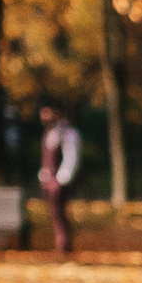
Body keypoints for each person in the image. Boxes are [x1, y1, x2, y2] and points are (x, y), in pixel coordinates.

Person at [36, 101, 82, 257]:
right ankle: (62, 243)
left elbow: (71, 157)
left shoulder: (67, 133)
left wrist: (62, 178)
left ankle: (64, 244)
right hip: (49, 180)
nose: (43, 116)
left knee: (59, 212)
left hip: (58, 182)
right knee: (55, 213)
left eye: (47, 112)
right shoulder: (50, 132)